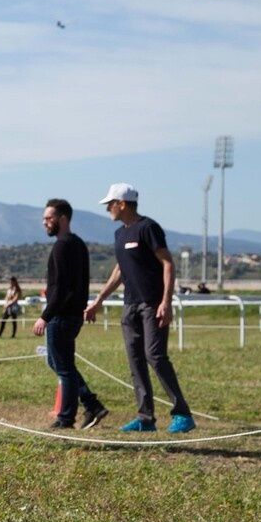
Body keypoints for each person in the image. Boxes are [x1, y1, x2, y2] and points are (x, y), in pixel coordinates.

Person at [84, 183, 196, 434]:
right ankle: (146, 418)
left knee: (155, 356)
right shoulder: (119, 234)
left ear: (122, 204)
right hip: (130, 305)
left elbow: (167, 263)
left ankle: (182, 413)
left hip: (152, 304)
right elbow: (120, 270)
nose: (107, 209)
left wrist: (166, 302)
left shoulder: (148, 228)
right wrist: (99, 300)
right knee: (136, 361)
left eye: (110, 204)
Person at [32, 199, 109, 430]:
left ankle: (66, 418)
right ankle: (91, 403)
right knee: (57, 362)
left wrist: (45, 316)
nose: (45, 222)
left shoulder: (62, 246)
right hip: (73, 314)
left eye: (49, 218)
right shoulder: (78, 244)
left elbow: (61, 287)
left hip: (62, 316)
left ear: (62, 218)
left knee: (63, 367)